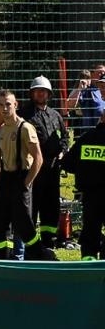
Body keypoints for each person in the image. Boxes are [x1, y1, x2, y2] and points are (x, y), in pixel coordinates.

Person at [0, 91, 44, 260]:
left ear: (15, 105)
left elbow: (38, 158)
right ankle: (2, 259)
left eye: (8, 104)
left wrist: (26, 183)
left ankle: (39, 256)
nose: (5, 108)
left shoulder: (25, 128)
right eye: (1, 105)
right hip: (4, 180)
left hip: (21, 178)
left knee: (23, 225)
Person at [23, 76, 68, 256]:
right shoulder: (25, 114)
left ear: (48, 94)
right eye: (37, 90)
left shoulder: (55, 115)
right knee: (33, 203)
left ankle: (48, 240)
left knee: (51, 205)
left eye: (44, 91)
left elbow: (64, 137)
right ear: (32, 93)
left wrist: (63, 151)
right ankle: (31, 241)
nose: (41, 93)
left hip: (53, 167)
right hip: (34, 168)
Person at [61, 106, 105, 259]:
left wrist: (84, 171)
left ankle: (88, 263)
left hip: (90, 196)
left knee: (90, 231)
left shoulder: (86, 138)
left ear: (101, 118)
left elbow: (67, 163)